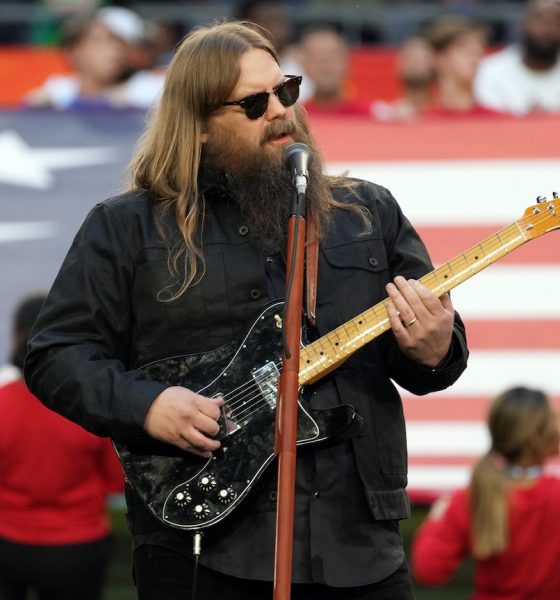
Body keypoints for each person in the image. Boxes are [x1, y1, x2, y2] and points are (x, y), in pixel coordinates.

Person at [24, 20, 469, 600]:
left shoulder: (368, 211)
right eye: (254, 103)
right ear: (200, 126)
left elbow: (433, 359)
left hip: (358, 543)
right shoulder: (127, 226)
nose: (280, 111)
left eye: (285, 90)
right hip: (201, 548)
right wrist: (147, 405)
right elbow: (56, 354)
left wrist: (435, 348)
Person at [0, 293, 124, 600]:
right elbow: (114, 481)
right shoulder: (90, 405)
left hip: (7, 543)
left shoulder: (3, 403)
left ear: (16, 335)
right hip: (78, 546)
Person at [411, 386, 560, 598]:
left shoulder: (470, 498)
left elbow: (428, 570)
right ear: (536, 438)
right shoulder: (555, 494)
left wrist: (437, 518)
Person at [24, 6, 162, 110]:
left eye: (120, 45)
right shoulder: (57, 90)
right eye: (100, 42)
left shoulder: (148, 88)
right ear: (75, 50)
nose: (114, 52)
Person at [474, 0, 560, 116]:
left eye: (555, 22)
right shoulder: (491, 69)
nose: (547, 29)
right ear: (523, 25)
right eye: (540, 20)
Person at [423, 15, 498, 117]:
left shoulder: (496, 120)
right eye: (464, 48)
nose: (474, 58)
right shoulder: (423, 121)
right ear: (439, 58)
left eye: (478, 51)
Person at [299, 23, 373, 117]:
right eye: (318, 58)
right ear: (304, 65)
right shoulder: (297, 117)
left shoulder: (371, 114)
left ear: (347, 63)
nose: (325, 65)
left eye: (333, 57)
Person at [372, 35, 436, 122]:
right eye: (411, 58)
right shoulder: (381, 113)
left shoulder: (444, 114)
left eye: (422, 59)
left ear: (434, 65)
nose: (416, 64)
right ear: (398, 65)